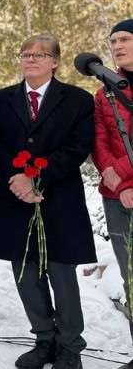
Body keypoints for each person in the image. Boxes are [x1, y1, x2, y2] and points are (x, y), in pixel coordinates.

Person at [0, 34, 96, 369]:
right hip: (14, 197)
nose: (30, 59)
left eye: (39, 54)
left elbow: (78, 148)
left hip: (58, 197)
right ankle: (44, 339)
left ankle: (70, 345)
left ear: (55, 62)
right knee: (25, 273)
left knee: (61, 273)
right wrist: (17, 180)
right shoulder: (1, 99)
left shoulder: (77, 100)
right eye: (25, 54)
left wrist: (37, 177)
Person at [92, 20, 133, 369]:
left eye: (125, 39)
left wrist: (122, 172)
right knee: (131, 275)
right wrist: (119, 182)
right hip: (116, 196)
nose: (117, 45)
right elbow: (100, 139)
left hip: (122, 183)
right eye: (113, 40)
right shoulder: (104, 91)